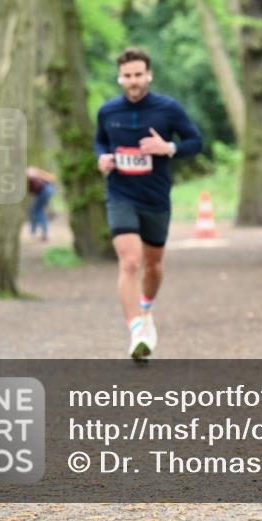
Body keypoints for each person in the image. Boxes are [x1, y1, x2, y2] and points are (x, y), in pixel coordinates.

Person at [95, 48, 203, 361]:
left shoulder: (168, 109)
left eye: (138, 75)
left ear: (149, 75)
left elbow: (196, 142)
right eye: (127, 76)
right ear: (120, 77)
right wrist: (101, 157)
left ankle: (146, 308)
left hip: (155, 198)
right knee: (129, 261)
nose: (133, 81)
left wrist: (167, 147)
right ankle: (136, 330)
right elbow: (100, 140)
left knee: (153, 266)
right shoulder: (108, 111)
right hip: (121, 194)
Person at [26, 166, 57, 241]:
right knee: (34, 210)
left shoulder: (30, 171)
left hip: (45, 191)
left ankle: (42, 233)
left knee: (36, 211)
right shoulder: (33, 171)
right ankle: (36, 233)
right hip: (47, 190)